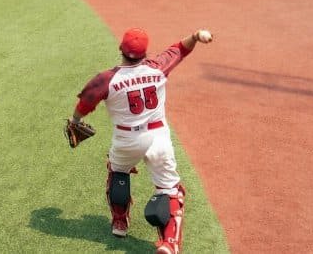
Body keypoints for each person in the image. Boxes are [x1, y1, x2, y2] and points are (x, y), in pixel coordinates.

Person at [70, 27, 214, 254]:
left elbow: (86, 103)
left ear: (121, 49)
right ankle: (170, 244)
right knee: (170, 188)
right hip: (158, 138)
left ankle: (120, 223)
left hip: (126, 139)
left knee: (118, 172)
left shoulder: (107, 79)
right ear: (145, 52)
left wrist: (75, 120)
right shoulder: (158, 68)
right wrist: (196, 36)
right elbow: (179, 49)